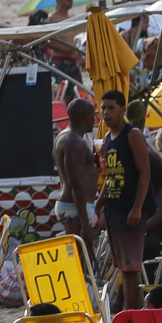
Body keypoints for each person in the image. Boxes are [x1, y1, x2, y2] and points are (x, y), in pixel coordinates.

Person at [95, 90, 152, 313]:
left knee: (130, 267)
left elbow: (145, 172)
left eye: (111, 108)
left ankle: (132, 314)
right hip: (114, 208)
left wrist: (138, 206)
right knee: (121, 265)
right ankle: (126, 310)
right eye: (103, 108)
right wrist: (99, 203)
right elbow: (110, 176)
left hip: (131, 208)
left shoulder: (132, 134)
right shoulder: (108, 139)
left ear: (122, 109)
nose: (106, 113)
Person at [54, 98, 99, 243]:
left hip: (73, 206)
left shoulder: (65, 136)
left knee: (81, 257)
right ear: (86, 116)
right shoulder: (74, 142)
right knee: (79, 258)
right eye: (93, 115)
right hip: (76, 208)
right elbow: (76, 185)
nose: (95, 119)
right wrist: (85, 225)